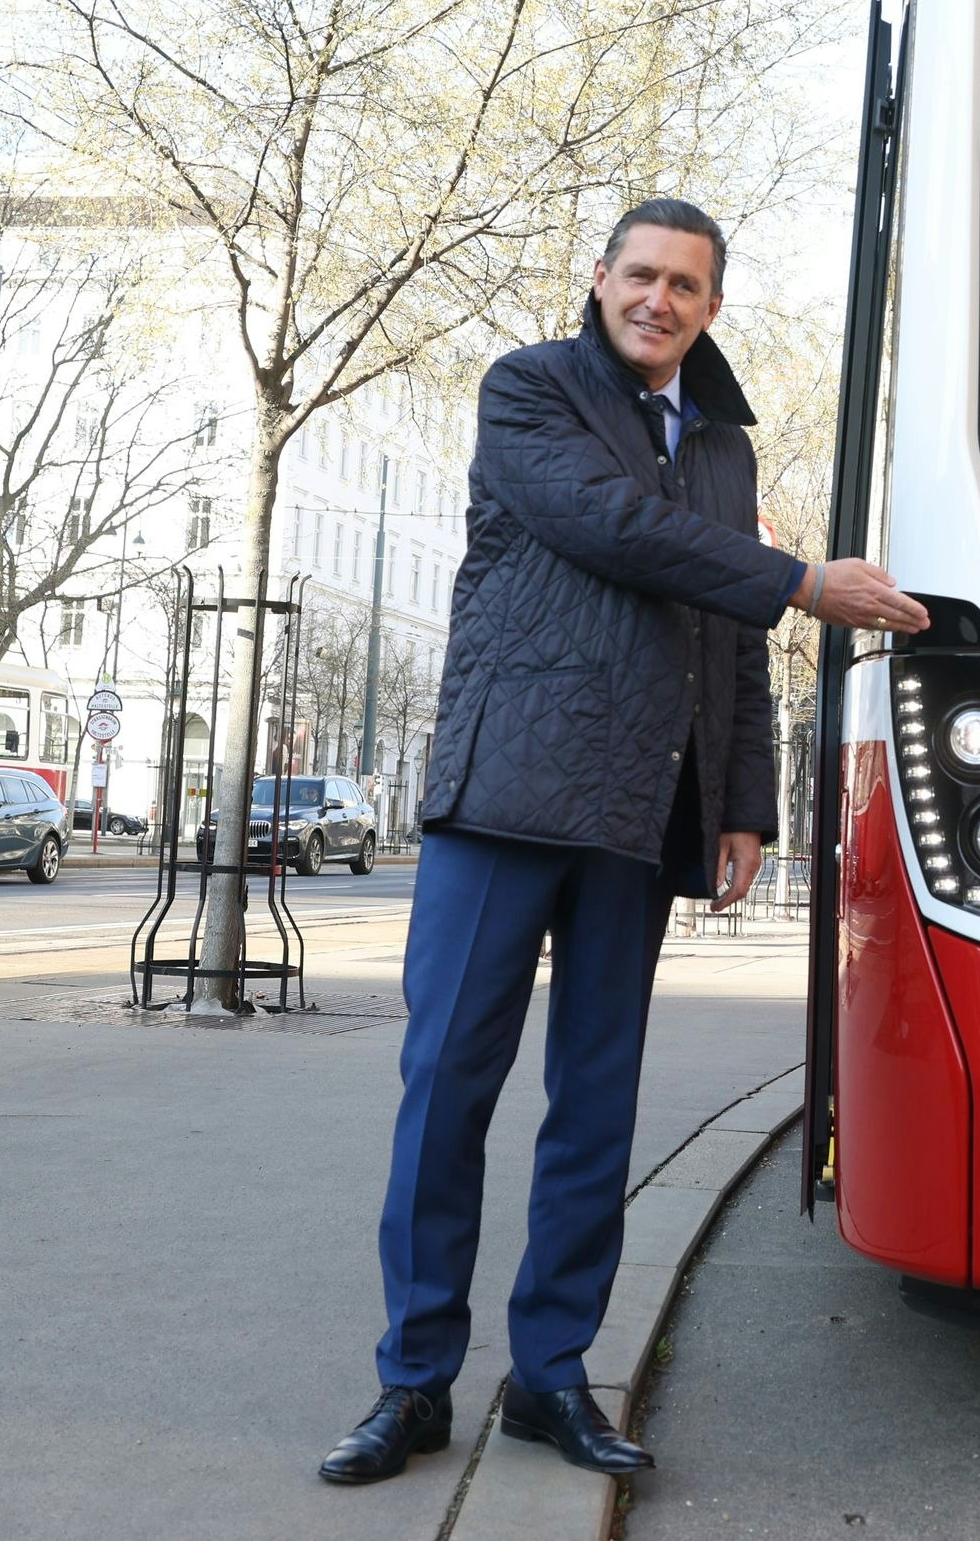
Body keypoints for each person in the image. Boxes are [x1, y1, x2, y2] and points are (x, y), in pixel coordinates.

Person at [320, 198, 927, 1485]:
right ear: (598, 280)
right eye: (639, 275)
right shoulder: (529, 391)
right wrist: (804, 578)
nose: (658, 299)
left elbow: (731, 637)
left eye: (685, 285)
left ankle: (551, 1374)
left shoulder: (722, 448)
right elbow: (612, 529)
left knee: (594, 1106)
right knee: (447, 1094)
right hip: (507, 796)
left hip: (638, 816)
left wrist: (747, 802)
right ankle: (413, 1381)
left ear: (711, 306)